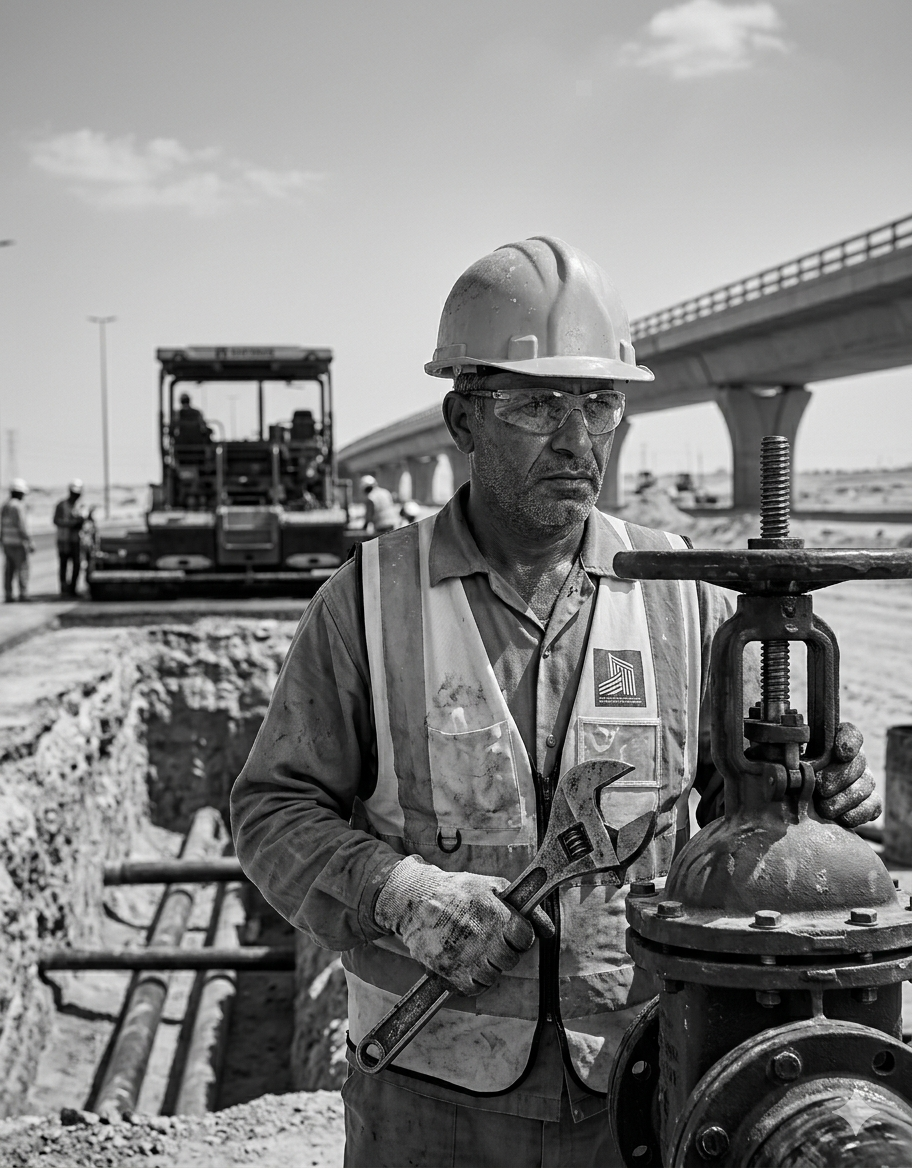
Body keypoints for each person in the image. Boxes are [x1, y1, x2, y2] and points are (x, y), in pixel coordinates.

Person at [231, 237, 879, 1168]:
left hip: (642, 1081)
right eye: (538, 404)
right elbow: (272, 809)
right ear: (462, 417)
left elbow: (743, 803)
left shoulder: (681, 590)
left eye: (601, 403)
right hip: (428, 1095)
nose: (579, 441)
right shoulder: (369, 599)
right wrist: (400, 894)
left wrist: (813, 804)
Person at [1, 479, 33, 602]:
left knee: (9, 570)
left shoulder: (5, 505)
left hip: (7, 542)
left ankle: (8, 594)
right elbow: (22, 526)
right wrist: (29, 541)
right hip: (18, 543)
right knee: (23, 569)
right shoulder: (18, 506)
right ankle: (23, 594)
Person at [53, 479, 86, 596]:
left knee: (77, 565)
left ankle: (73, 589)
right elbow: (56, 520)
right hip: (64, 540)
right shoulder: (61, 505)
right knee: (64, 564)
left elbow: (84, 522)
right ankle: (63, 589)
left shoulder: (80, 506)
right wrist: (71, 524)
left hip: (76, 540)